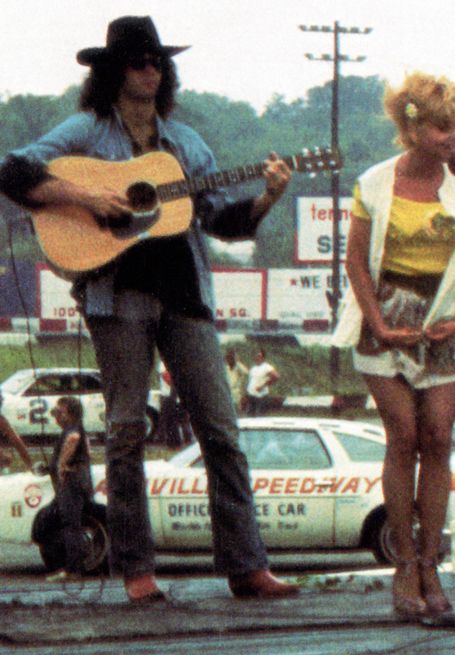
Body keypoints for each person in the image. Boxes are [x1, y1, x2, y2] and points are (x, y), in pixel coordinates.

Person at [0, 16, 297, 602]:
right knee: (127, 430)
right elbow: (13, 171)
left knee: (221, 428)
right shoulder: (86, 131)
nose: (150, 69)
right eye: (138, 60)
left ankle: (247, 565)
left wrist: (266, 197)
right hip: (118, 296)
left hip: (185, 296)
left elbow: (220, 220)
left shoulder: (186, 146)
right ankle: (137, 570)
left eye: (157, 61)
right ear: (114, 70)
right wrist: (89, 196)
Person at [332, 72, 455, 618]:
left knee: (439, 437)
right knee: (404, 435)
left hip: (440, 318)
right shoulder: (374, 183)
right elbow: (354, 261)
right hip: (385, 315)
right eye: (444, 126)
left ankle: (431, 562)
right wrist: (376, 320)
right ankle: (403, 563)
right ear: (414, 128)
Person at [48, 396, 95, 581]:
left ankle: (73, 570)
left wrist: (61, 464)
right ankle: (72, 567)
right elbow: (88, 451)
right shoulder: (78, 428)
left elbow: (73, 439)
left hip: (73, 481)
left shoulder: (73, 430)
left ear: (70, 413)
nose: (56, 417)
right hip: (79, 480)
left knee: (71, 525)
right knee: (72, 524)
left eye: (59, 412)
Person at [243, 347, 279, 417]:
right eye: (256, 355)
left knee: (260, 418)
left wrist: (263, 386)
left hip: (261, 397)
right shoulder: (253, 368)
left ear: (263, 357)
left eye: (259, 356)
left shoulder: (267, 367)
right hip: (251, 396)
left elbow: (276, 377)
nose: (257, 357)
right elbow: (251, 382)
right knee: (249, 417)